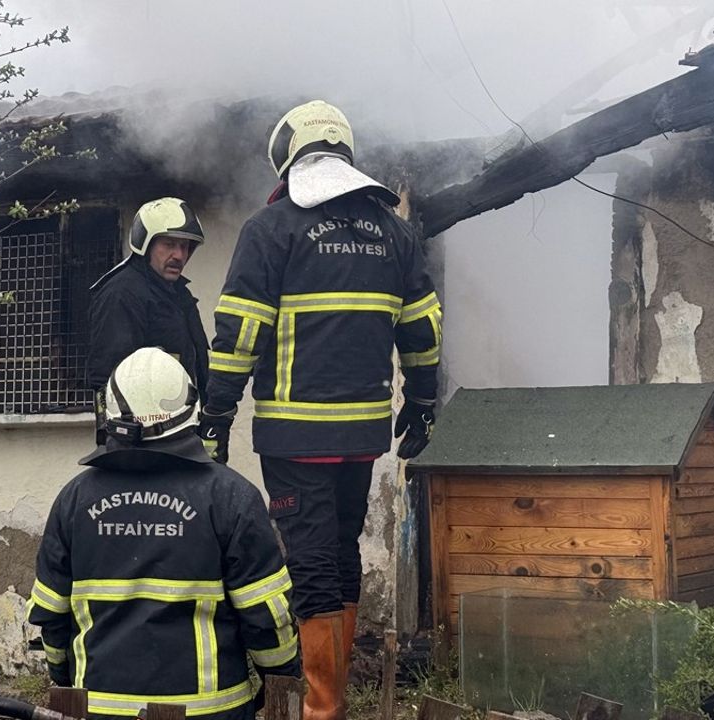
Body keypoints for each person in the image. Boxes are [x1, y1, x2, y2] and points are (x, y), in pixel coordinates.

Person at [198, 100, 443, 720]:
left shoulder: (271, 229)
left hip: (292, 436)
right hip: (362, 434)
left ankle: (321, 709)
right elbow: (423, 329)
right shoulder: (395, 232)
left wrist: (216, 418)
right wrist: (422, 403)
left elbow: (239, 335)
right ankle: (331, 700)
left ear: (288, 152)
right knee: (341, 551)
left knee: (308, 562)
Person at [28, 347, 299, 720]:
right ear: (191, 410)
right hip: (208, 712)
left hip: (98, 710)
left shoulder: (74, 499)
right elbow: (267, 617)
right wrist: (281, 676)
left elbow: (51, 615)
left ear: (111, 417)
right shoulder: (231, 498)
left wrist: (64, 679)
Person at [87, 197, 211, 443]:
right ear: (145, 243)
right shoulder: (121, 294)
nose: (179, 255)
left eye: (185, 246)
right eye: (169, 244)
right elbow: (105, 378)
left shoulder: (178, 294)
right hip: (145, 441)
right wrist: (118, 440)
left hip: (182, 432)